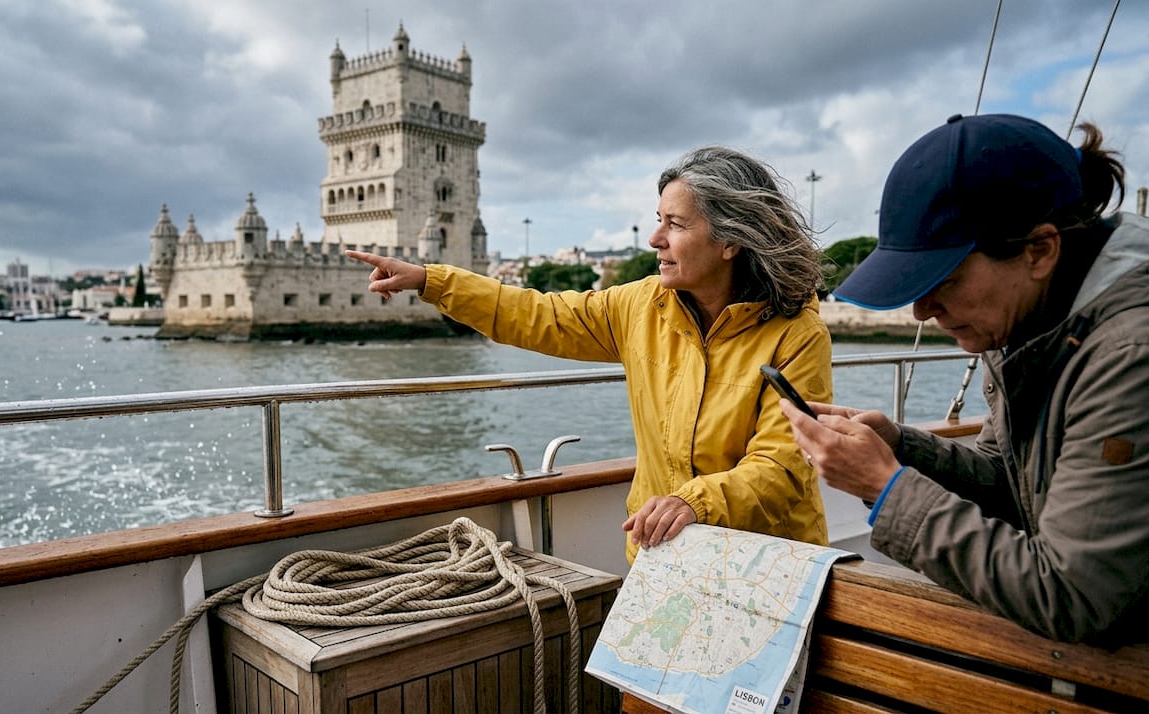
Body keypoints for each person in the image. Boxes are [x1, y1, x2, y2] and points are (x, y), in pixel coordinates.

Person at [347, 146, 833, 564]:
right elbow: (539, 315)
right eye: (657, 220)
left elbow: (782, 465)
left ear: (730, 240)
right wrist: (432, 280)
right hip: (665, 552)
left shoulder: (797, 333)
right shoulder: (641, 305)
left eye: (675, 225)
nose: (655, 239)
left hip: (766, 562)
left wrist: (693, 503)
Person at [783, 113, 1149, 645]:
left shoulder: (1129, 354)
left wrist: (884, 487)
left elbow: (1072, 594)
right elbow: (1010, 481)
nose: (920, 311)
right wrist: (903, 449)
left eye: (943, 280)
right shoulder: (1028, 320)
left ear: (1039, 250)